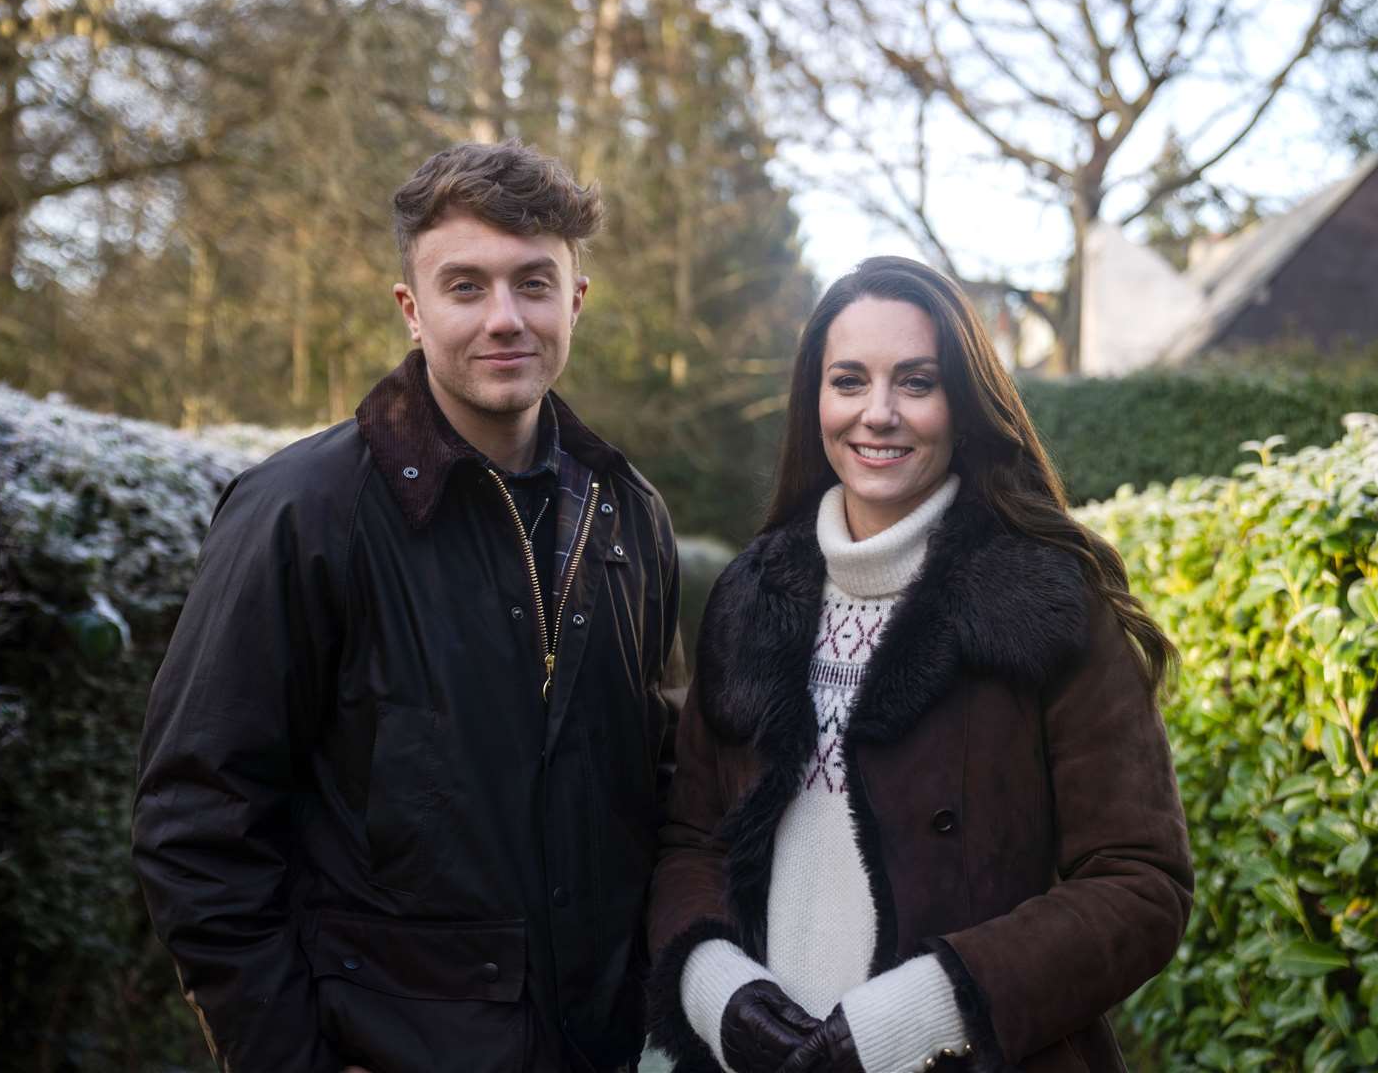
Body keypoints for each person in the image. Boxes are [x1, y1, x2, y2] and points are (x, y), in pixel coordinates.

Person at [133, 140, 685, 1073]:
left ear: (576, 301)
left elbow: (662, 790)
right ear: (412, 308)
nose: (504, 318)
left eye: (534, 283)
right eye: (465, 286)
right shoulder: (302, 511)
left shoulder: (629, 513)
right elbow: (197, 823)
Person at [646, 257, 1193, 1073]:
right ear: (814, 400)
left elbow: (1141, 883)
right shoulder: (751, 594)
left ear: (961, 402)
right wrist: (716, 988)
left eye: (914, 381)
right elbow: (691, 839)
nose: (877, 414)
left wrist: (928, 1009)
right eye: (848, 380)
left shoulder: (1045, 597)